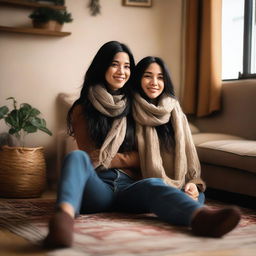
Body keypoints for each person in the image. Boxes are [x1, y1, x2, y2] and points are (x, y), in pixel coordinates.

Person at [129, 56, 241, 237]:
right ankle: (196, 215)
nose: (154, 83)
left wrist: (192, 184)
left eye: (160, 77)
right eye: (148, 76)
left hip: (176, 182)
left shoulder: (174, 110)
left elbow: (188, 161)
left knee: (195, 195)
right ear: (138, 79)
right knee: (159, 189)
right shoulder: (129, 109)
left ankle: (197, 217)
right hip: (143, 184)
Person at [44, 40, 139, 248]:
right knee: (76, 157)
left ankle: (199, 216)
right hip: (99, 188)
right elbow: (91, 156)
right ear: (102, 66)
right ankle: (63, 220)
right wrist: (127, 159)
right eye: (115, 64)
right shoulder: (82, 109)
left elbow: (147, 156)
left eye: (127, 66)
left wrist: (117, 160)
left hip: (130, 187)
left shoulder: (138, 106)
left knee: (156, 186)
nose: (122, 71)